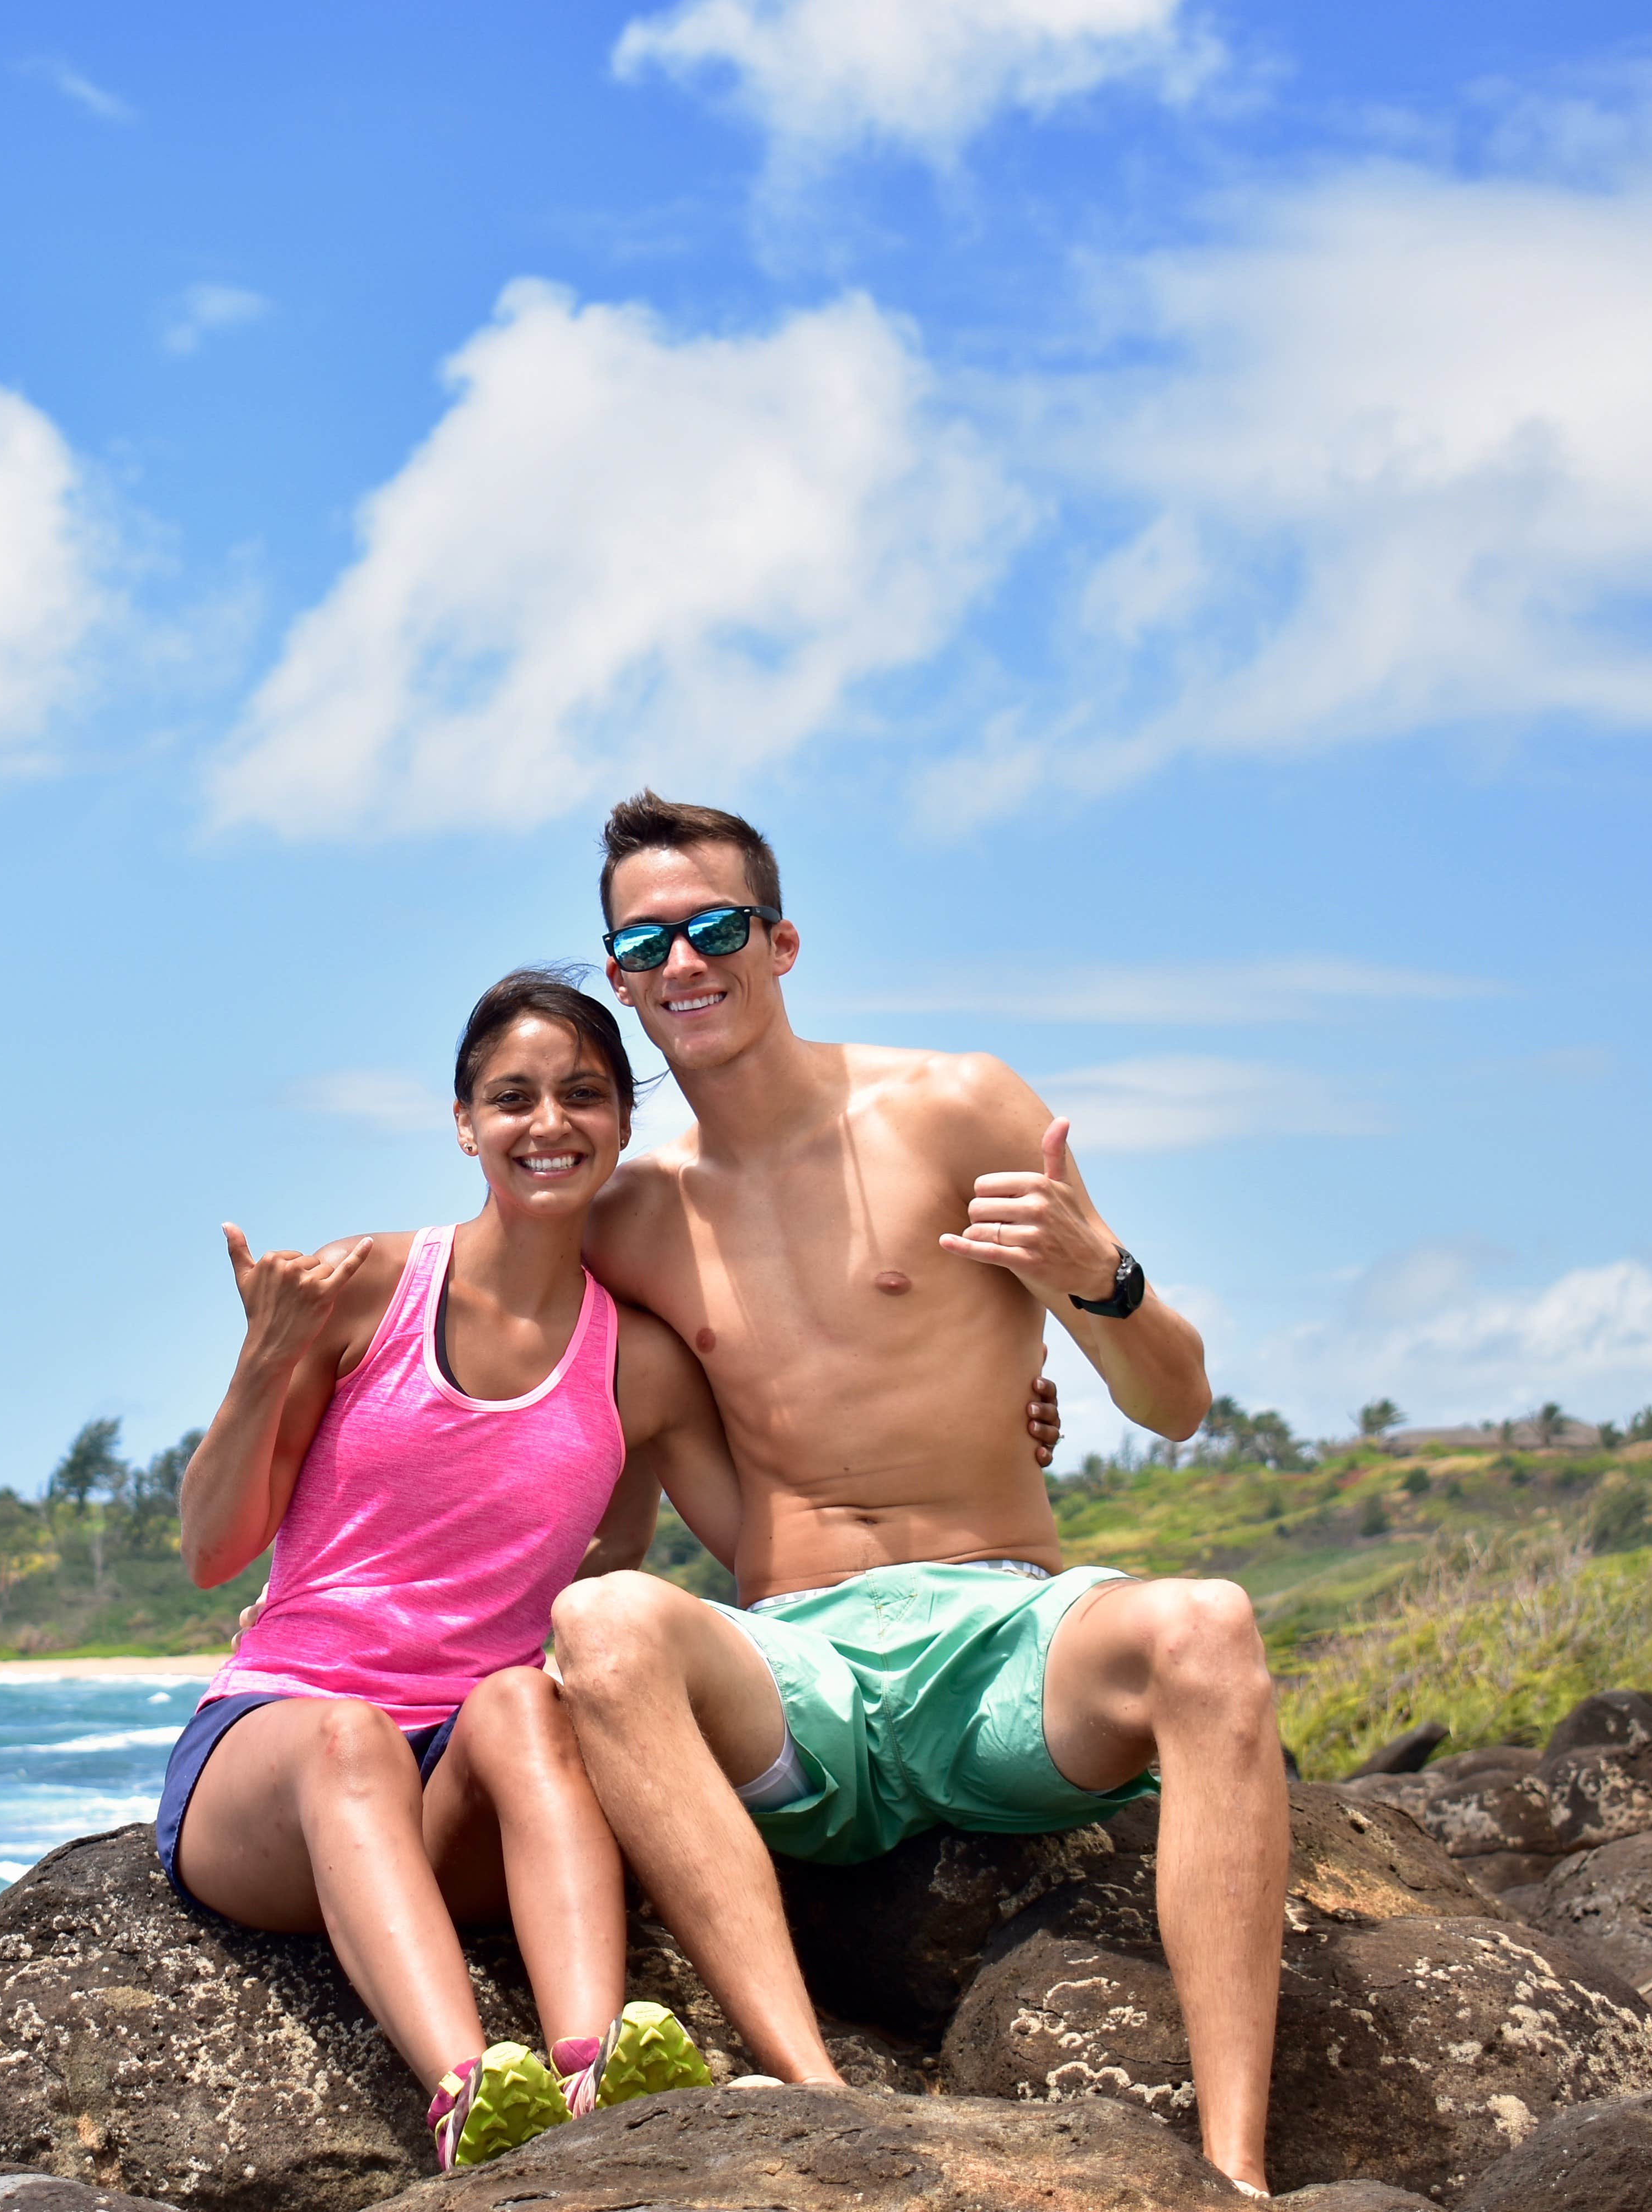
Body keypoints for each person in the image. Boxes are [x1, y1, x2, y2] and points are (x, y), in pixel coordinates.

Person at [160, 968, 1059, 2172]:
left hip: (455, 1796)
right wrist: (264, 1363)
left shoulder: (635, 1360)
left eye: (583, 1093)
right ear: (466, 1123)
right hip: (275, 1768)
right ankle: (468, 2089)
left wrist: (977, 1432)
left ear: (623, 1124)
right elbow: (214, 1548)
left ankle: (589, 2081)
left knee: (531, 1699)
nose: (549, 1122)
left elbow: (777, 1549)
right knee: (349, 1737)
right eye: (514, 1096)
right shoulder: (363, 1288)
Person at [547, 792, 1287, 2197]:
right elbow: (523, 1396)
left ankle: (1231, 2171)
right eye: (645, 943)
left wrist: (1098, 1280)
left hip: (1005, 1636)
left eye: (716, 928)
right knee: (609, 1621)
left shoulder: (955, 1106)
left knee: (1208, 1626)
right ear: (620, 974)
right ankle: (822, 2103)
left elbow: (1177, 1401)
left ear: (782, 941)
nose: (684, 963)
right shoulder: (629, 1216)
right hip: (801, 1670)